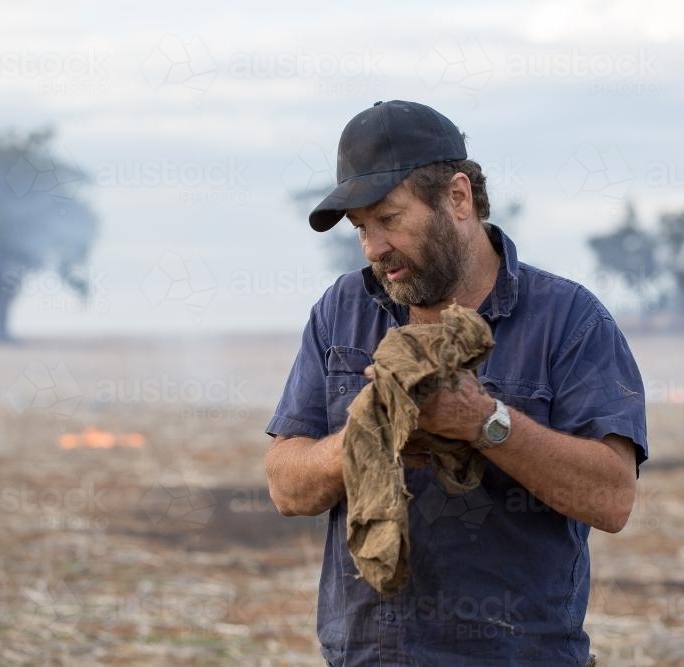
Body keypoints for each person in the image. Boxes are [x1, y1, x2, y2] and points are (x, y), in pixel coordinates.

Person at [265, 100, 648, 667]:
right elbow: (285, 486)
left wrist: (483, 423)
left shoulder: (570, 320)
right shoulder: (342, 311)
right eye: (362, 229)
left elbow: (612, 498)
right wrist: (370, 432)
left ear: (458, 198)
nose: (374, 249)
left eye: (389, 219)